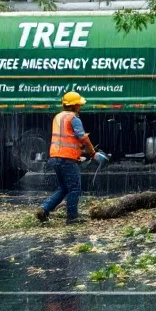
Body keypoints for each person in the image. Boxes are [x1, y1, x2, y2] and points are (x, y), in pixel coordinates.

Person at [36, 91, 95, 224]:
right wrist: (92, 152)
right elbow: (82, 137)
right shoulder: (74, 118)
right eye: (79, 104)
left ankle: (44, 209)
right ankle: (72, 218)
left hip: (55, 156)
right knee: (75, 188)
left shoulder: (57, 117)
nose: (80, 107)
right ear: (74, 106)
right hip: (66, 158)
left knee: (63, 187)